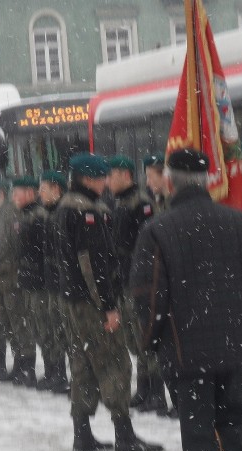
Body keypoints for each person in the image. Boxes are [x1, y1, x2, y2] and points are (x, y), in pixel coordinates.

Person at [130, 148, 242, 451]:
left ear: (171, 182)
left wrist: (148, 342)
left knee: (198, 432)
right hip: (234, 349)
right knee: (235, 421)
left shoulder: (158, 230)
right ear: (208, 180)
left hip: (186, 351)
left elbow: (148, 296)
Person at [54, 153, 165, 451]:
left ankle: (82, 433)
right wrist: (108, 306)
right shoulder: (86, 212)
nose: (105, 182)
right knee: (115, 362)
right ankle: (124, 434)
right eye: (101, 177)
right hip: (91, 303)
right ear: (88, 178)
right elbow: (93, 265)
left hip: (73, 301)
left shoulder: (65, 208)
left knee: (83, 364)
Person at [107, 155, 171, 416]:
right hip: (125, 278)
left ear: (125, 175)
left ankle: (155, 391)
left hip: (139, 279)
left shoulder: (141, 204)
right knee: (136, 337)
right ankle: (145, 388)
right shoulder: (120, 202)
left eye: (112, 175)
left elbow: (143, 246)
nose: (109, 181)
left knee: (146, 335)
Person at [0, 178, 31, 381]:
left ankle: (26, 366)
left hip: (11, 279)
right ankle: (18, 363)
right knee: (8, 324)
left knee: (19, 323)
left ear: (0, 195)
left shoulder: (11, 215)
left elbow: (16, 248)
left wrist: (13, 272)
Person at [11, 175, 48, 387]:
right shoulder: (23, 216)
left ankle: (55, 372)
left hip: (39, 281)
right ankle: (31, 370)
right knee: (33, 326)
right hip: (27, 279)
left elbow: (41, 251)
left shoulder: (38, 216)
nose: (14, 196)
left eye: (18, 192)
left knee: (45, 328)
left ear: (31, 193)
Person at [38, 170, 70, 394]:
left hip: (63, 284)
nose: (40, 193)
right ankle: (56, 373)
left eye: (44, 188)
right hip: (52, 282)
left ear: (56, 190)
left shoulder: (61, 214)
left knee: (67, 333)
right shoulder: (49, 214)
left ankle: (66, 377)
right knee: (53, 330)